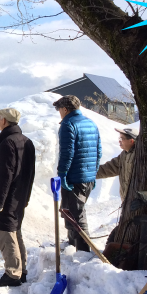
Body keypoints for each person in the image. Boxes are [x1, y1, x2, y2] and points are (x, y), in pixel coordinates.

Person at [0, 108, 36, 287]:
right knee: (15, 232)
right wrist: (26, 197)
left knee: (6, 234)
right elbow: (30, 173)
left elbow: (4, 176)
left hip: (6, 198)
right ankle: (21, 271)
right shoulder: (26, 141)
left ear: (5, 121)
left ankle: (13, 273)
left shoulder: (7, 143)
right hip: (19, 196)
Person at [54, 95, 102, 252]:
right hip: (87, 177)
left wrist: (62, 173)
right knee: (71, 213)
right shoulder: (91, 123)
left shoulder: (68, 124)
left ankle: (83, 252)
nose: (59, 112)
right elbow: (98, 152)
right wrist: (93, 174)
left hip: (74, 178)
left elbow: (67, 153)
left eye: (59, 109)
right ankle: (73, 245)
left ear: (65, 109)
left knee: (76, 218)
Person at [96, 126, 138, 243]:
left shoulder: (139, 156)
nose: (119, 141)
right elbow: (108, 168)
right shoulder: (124, 155)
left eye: (122, 138)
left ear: (131, 141)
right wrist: (88, 174)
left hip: (136, 203)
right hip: (126, 201)